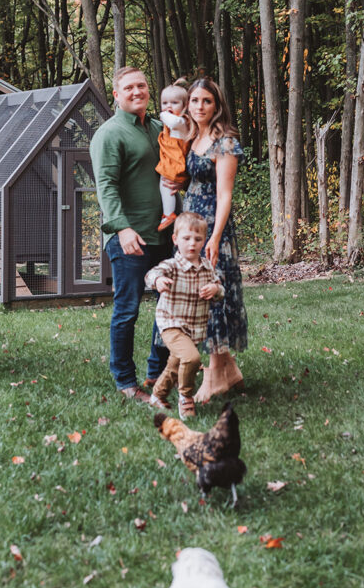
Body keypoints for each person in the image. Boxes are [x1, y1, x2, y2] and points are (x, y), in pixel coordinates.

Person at [90, 67, 171, 402]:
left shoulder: (158, 128)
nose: (137, 91)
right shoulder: (109, 134)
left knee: (168, 308)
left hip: (165, 235)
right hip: (129, 239)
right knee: (128, 310)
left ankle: (157, 372)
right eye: (129, 87)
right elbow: (105, 188)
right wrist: (121, 228)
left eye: (142, 85)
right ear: (116, 95)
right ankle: (125, 380)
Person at [175, 77, 248, 403]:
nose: (200, 107)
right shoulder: (193, 137)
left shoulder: (225, 141)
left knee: (212, 293)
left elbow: (224, 194)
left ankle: (217, 374)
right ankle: (227, 369)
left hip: (212, 228)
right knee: (196, 293)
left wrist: (215, 237)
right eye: (194, 101)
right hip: (189, 227)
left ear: (216, 105)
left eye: (206, 101)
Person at [144, 212, 224, 420]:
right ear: (175, 239)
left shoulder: (207, 267)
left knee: (176, 364)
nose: (192, 244)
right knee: (192, 358)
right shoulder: (172, 266)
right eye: (186, 239)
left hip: (194, 326)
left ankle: (158, 395)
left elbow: (220, 288)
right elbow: (151, 274)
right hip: (171, 322)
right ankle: (186, 396)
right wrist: (158, 282)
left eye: (197, 239)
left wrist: (215, 289)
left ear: (204, 241)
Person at [156, 82, 191, 232]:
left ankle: (169, 214)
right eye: (165, 103)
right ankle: (171, 212)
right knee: (166, 187)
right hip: (171, 159)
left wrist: (163, 114)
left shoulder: (182, 121)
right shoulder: (171, 123)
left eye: (174, 103)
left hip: (176, 161)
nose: (169, 106)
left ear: (185, 106)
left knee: (165, 185)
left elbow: (173, 121)